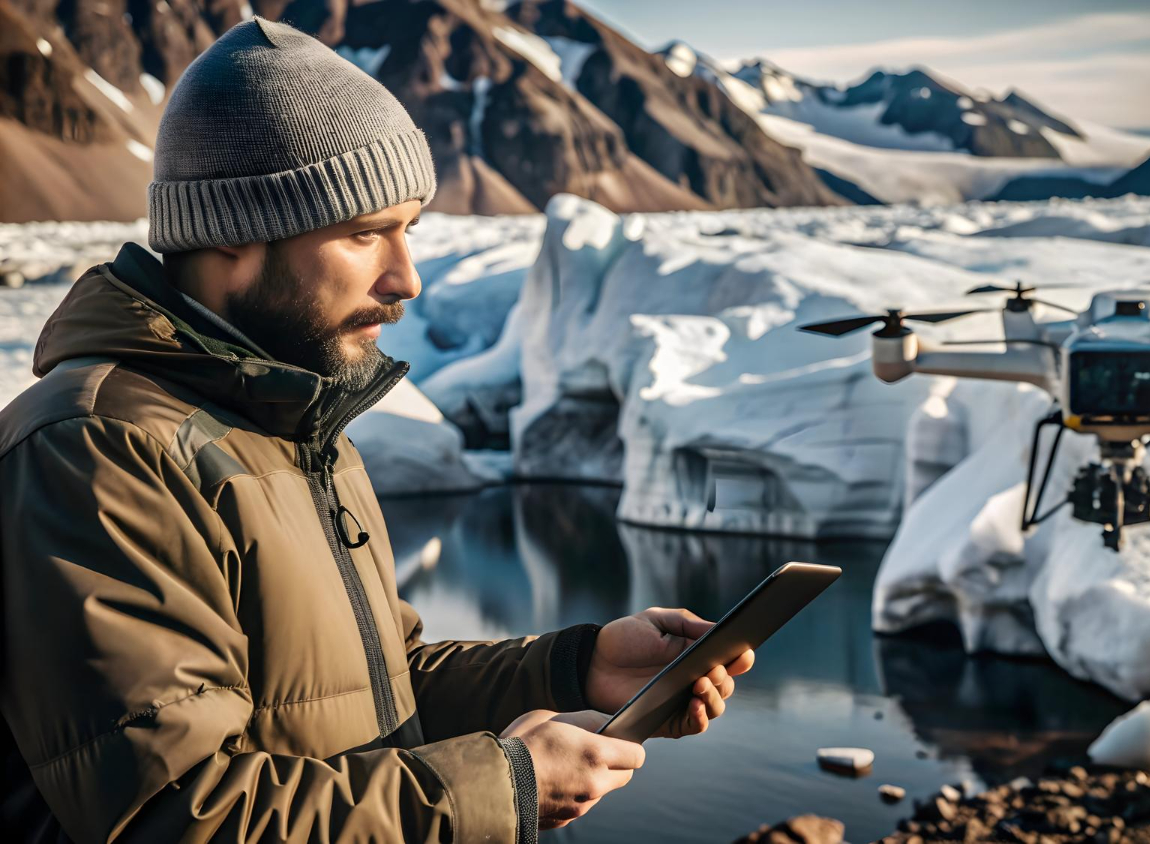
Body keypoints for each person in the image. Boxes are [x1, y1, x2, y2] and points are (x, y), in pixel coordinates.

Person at [0, 15, 752, 843]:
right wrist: (500, 789)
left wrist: (577, 666)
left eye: (409, 230)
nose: (408, 279)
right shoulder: (102, 450)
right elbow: (177, 813)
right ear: (235, 235)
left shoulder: (291, 423)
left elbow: (375, 687)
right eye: (364, 234)